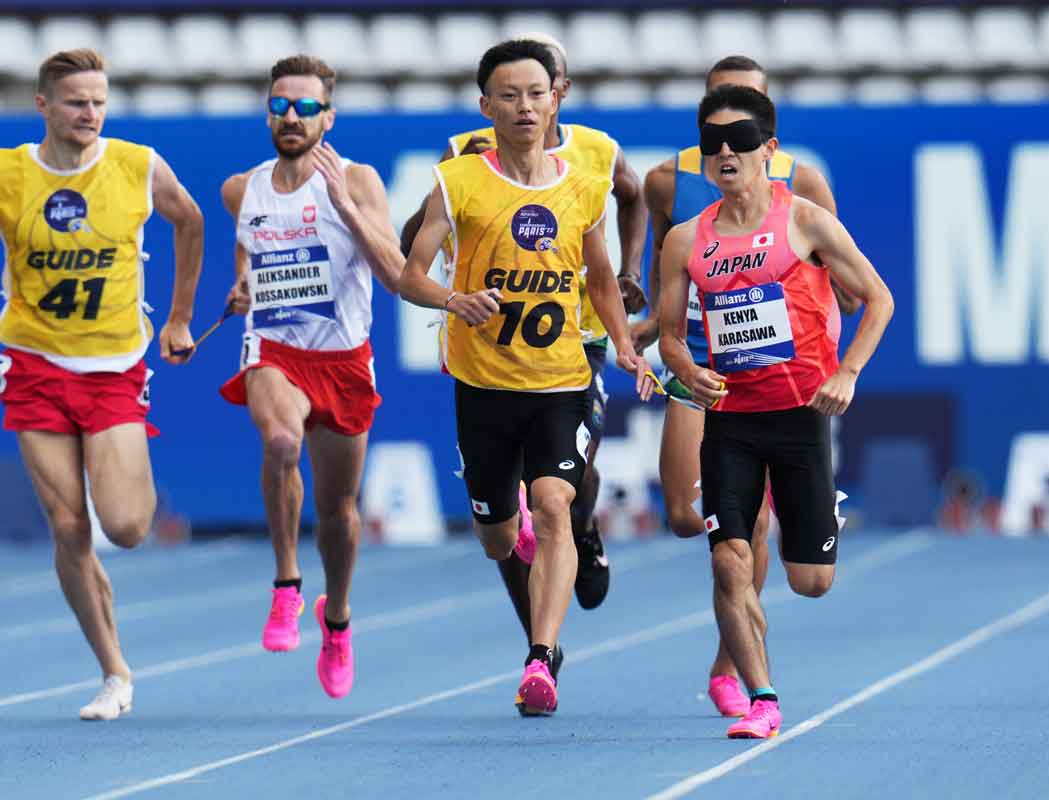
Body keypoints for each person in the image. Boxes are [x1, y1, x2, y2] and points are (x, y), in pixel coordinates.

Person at [398, 39, 650, 716]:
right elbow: (409, 274)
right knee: (499, 540)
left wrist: (625, 344)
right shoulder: (458, 179)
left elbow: (600, 279)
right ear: (486, 106)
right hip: (483, 385)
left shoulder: (585, 180)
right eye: (509, 96)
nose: (525, 107)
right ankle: (522, 531)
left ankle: (542, 658)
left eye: (536, 93)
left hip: (562, 377)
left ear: (557, 97)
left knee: (554, 502)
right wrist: (454, 298)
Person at [658, 85, 892, 738]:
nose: (725, 153)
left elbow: (878, 299)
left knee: (811, 580)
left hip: (800, 415)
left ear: (769, 148)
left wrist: (847, 373)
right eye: (711, 143)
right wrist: (687, 371)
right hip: (729, 422)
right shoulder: (684, 240)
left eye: (739, 140)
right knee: (728, 560)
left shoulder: (806, 221)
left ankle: (819, 515)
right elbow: (671, 337)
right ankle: (762, 697)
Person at [0, 49, 203, 720]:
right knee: (67, 526)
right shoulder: (10, 173)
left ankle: (114, 643)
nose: (90, 113)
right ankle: (114, 671)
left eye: (99, 102)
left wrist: (178, 317)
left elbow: (190, 219)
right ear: (43, 106)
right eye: (76, 102)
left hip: (113, 368)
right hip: (33, 363)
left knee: (127, 526)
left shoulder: (136, 166)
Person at [218, 55, 405, 698]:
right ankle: (286, 584)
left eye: (305, 107)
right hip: (275, 350)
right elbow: (248, 253)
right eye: (280, 106)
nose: (291, 117)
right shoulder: (241, 189)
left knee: (339, 512)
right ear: (267, 113)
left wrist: (345, 206)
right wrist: (242, 285)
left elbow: (394, 272)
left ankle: (338, 618)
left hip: (343, 360)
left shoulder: (358, 179)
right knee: (279, 442)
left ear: (329, 116)